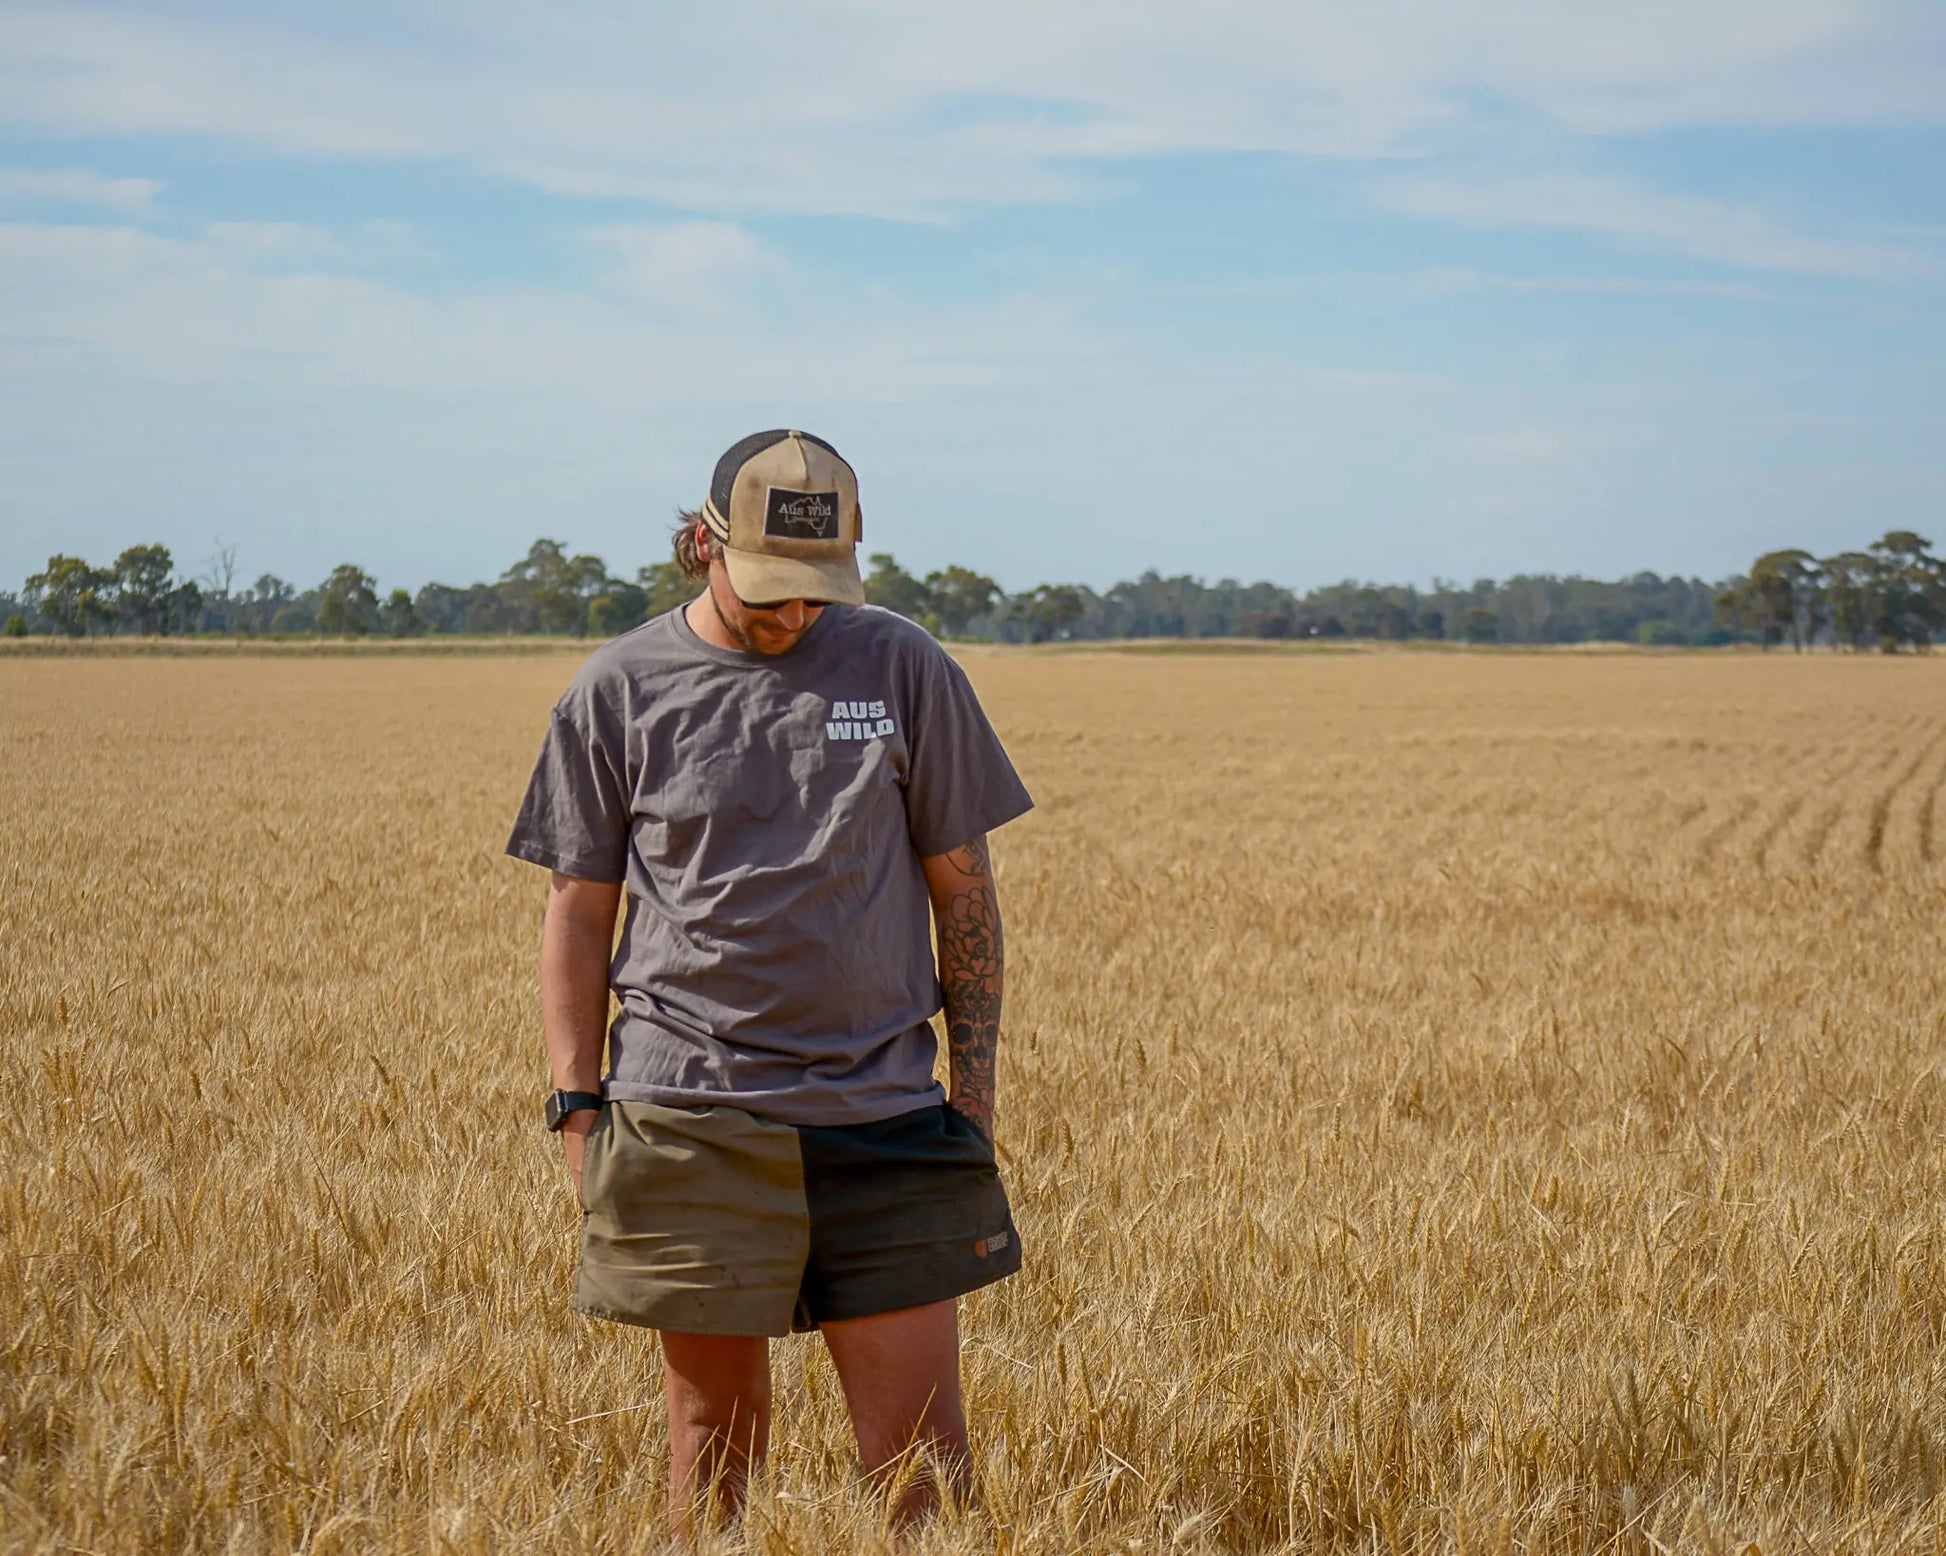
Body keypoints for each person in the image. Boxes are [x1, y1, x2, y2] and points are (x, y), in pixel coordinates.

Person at [505, 429, 1033, 1537]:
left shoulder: (904, 666)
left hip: (883, 1113)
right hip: (684, 1112)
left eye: (815, 593)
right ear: (702, 543)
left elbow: (966, 897)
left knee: (925, 1463)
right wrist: (574, 1104)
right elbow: (577, 909)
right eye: (768, 595)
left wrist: (971, 1101)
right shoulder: (617, 689)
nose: (794, 618)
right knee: (712, 1433)